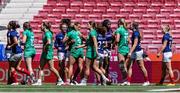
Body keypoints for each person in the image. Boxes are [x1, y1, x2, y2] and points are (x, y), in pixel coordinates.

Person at [79, 21, 111, 86]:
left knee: (87, 67)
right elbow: (88, 43)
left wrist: (96, 51)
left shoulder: (92, 32)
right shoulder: (94, 32)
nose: (87, 25)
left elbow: (95, 42)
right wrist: (79, 46)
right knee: (94, 67)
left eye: (88, 24)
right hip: (95, 51)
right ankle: (105, 78)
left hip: (91, 52)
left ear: (91, 25)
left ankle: (84, 81)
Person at [7, 21, 32, 85]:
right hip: (20, 52)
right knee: (18, 68)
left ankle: (15, 82)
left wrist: (10, 46)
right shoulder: (16, 32)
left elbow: (15, 42)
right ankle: (30, 75)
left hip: (16, 52)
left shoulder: (12, 33)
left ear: (11, 26)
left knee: (12, 67)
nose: (8, 25)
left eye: (9, 24)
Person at [127, 21, 150, 86]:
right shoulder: (135, 32)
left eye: (130, 25)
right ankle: (128, 82)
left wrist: (130, 52)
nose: (130, 26)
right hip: (135, 51)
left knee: (141, 66)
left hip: (137, 51)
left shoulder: (136, 33)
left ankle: (147, 81)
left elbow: (135, 44)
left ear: (133, 26)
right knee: (130, 66)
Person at [115, 18, 129, 85]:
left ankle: (125, 80)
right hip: (127, 49)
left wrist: (114, 43)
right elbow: (129, 40)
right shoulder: (126, 30)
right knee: (124, 65)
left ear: (119, 23)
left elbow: (117, 40)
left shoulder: (119, 30)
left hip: (121, 49)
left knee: (121, 66)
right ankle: (126, 81)